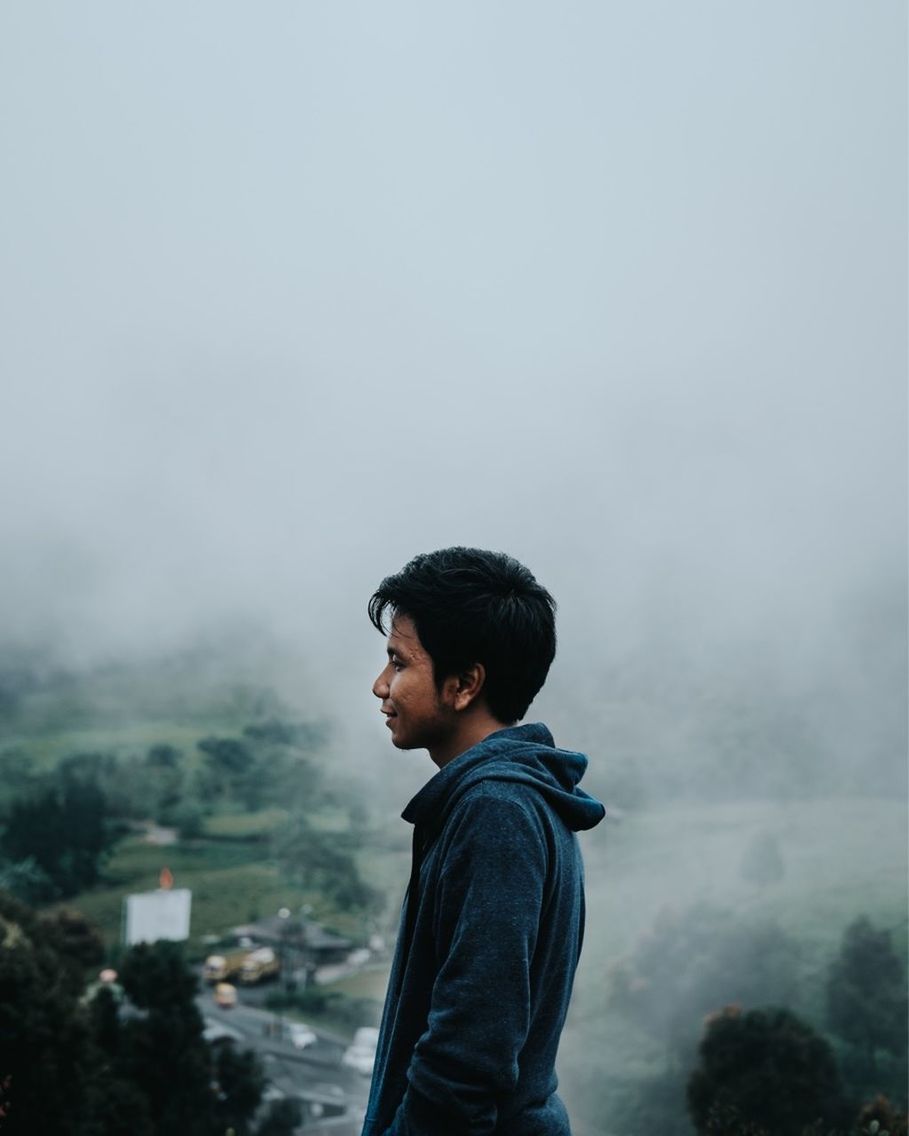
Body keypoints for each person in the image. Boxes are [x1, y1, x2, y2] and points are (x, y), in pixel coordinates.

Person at [361, 547, 605, 1136]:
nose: (380, 685)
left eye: (399, 663)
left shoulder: (496, 813)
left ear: (464, 683)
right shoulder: (508, 800)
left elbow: (470, 1051)